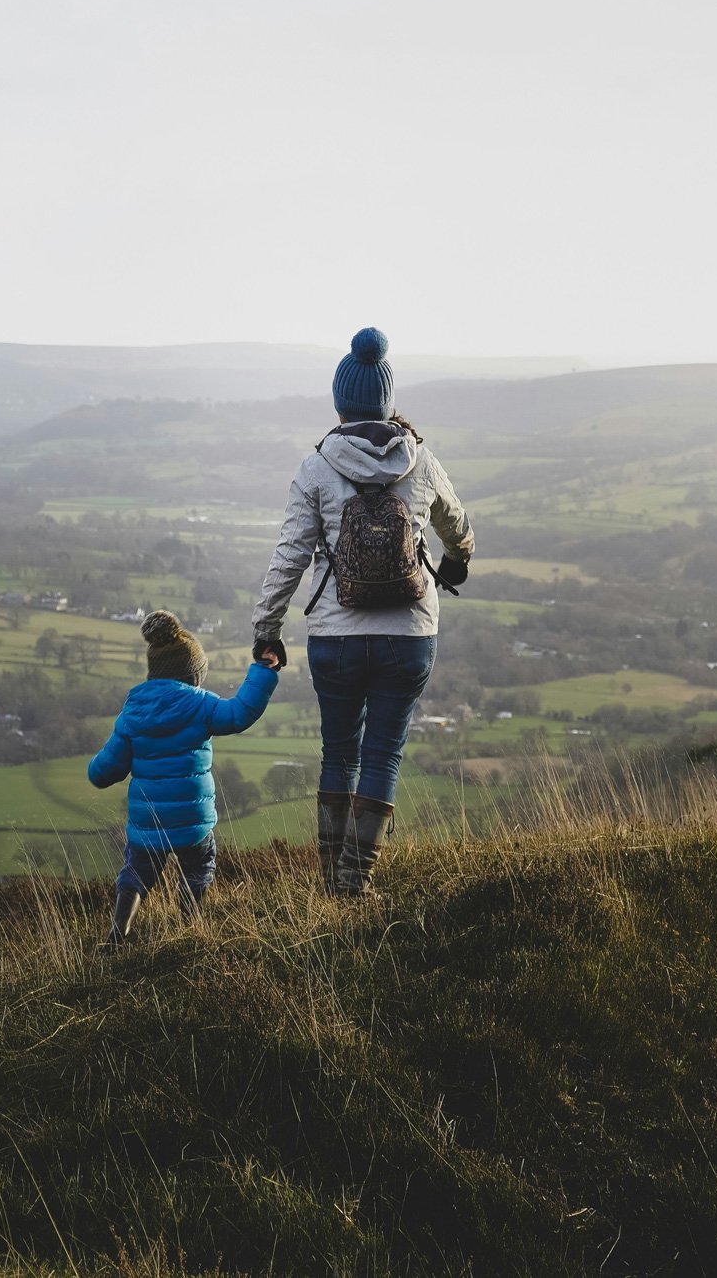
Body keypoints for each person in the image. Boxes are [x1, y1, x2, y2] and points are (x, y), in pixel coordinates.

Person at [251, 327, 474, 897]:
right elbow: (458, 526)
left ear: (340, 401)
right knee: (383, 753)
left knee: (339, 752)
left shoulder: (317, 466)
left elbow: (290, 557)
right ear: (387, 401)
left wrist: (266, 629)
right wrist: (456, 563)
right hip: (409, 635)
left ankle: (332, 882)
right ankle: (358, 880)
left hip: (336, 638)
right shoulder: (421, 460)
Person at [89, 610, 279, 944]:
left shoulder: (133, 712)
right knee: (199, 865)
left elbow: (107, 769)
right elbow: (239, 713)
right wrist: (263, 671)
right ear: (192, 674)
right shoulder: (200, 705)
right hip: (193, 819)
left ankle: (119, 931)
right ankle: (191, 923)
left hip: (148, 822)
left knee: (136, 872)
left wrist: (95, 770)